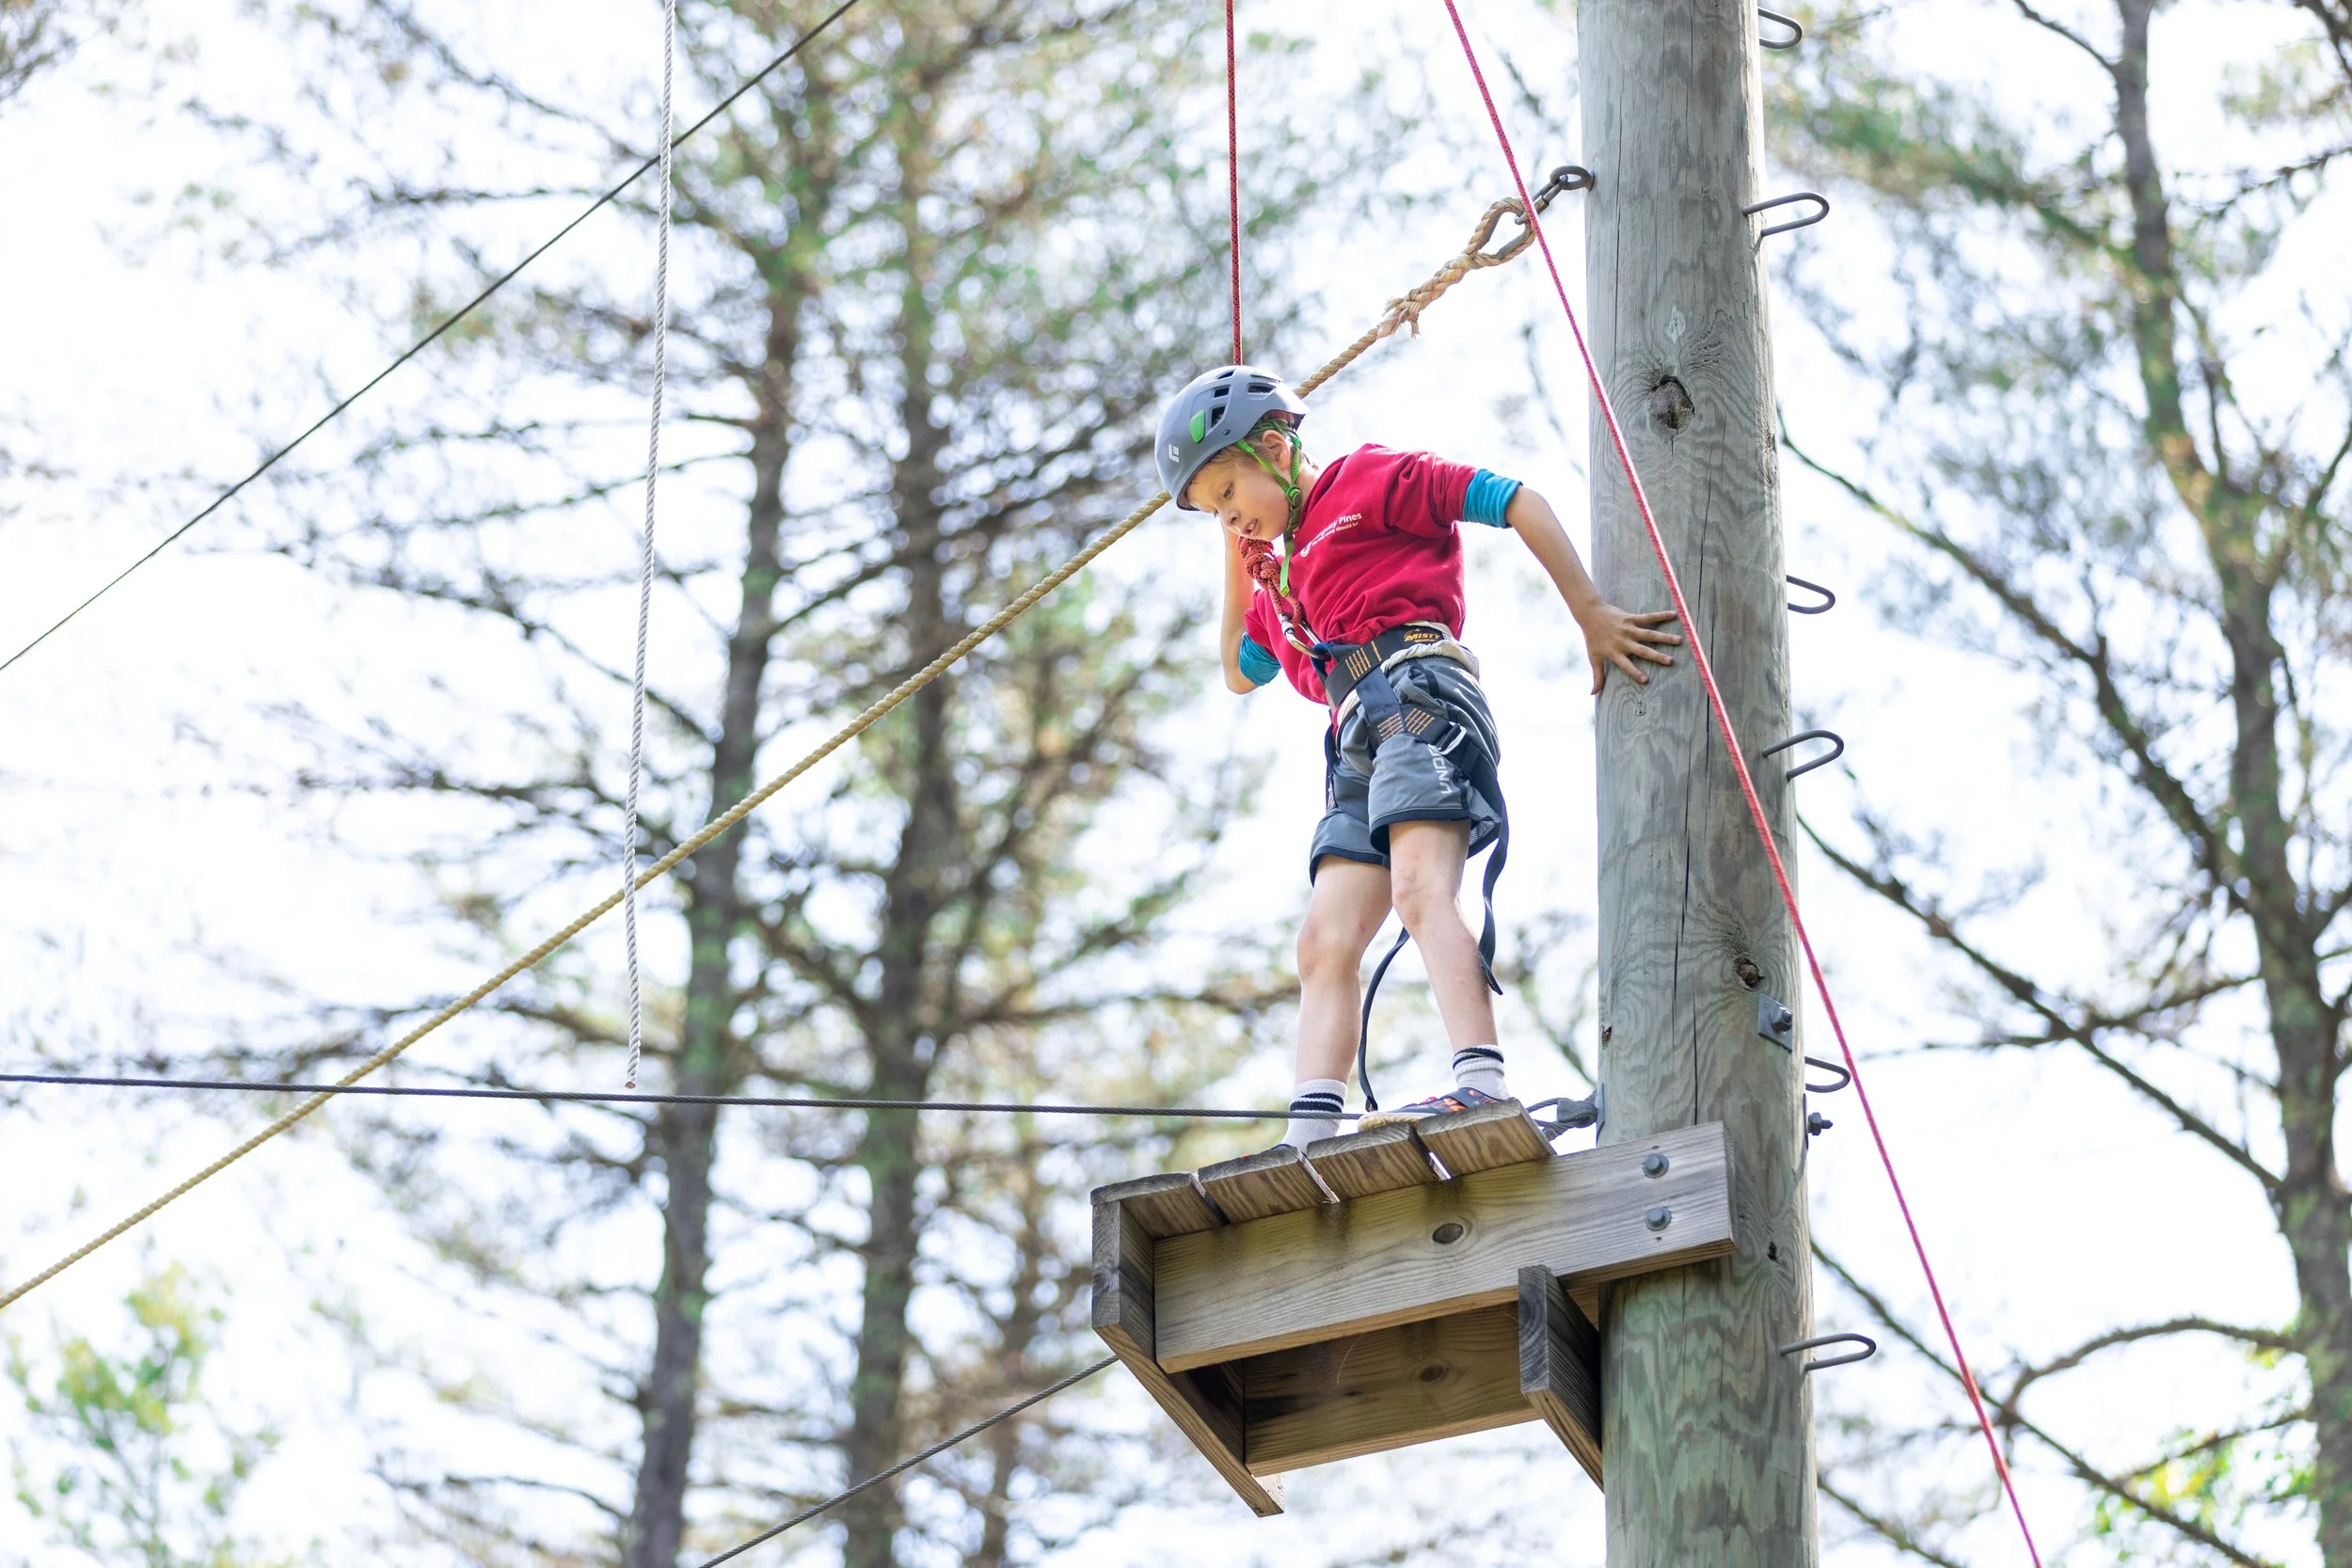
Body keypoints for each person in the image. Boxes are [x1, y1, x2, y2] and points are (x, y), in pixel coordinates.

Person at [1155, 364, 1680, 1151]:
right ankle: (1310, 1128)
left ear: (1273, 447)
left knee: (1418, 887)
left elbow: (1513, 500)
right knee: (1323, 941)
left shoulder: (1366, 482)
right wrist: (1238, 548)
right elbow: (1239, 666)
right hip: (1356, 732)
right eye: (1213, 515)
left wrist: (1590, 613)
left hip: (1420, 692)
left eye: (1229, 497)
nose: (1231, 522)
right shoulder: (1280, 584)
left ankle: (1481, 1077)